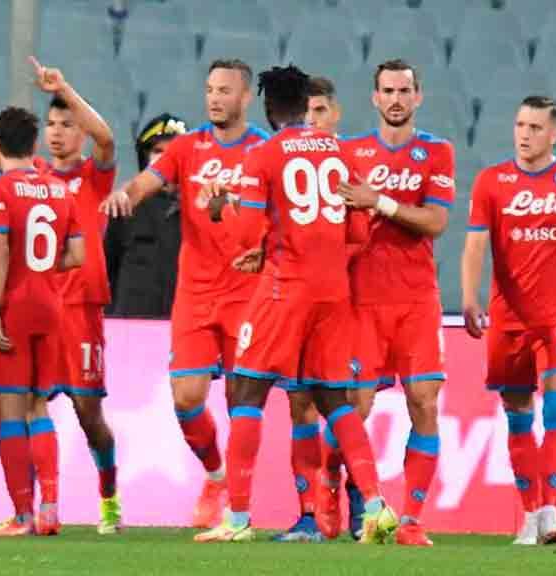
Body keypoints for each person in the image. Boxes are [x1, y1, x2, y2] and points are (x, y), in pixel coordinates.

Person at [192, 64, 396, 545]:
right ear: (307, 105)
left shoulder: (265, 155)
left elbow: (247, 235)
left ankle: (238, 520)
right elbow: (361, 231)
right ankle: (376, 505)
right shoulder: (341, 152)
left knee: (247, 392)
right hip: (333, 292)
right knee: (333, 400)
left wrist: (225, 211)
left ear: (267, 108)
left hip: (285, 288)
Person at [0, 47, 124, 534]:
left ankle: (108, 492)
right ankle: (43, 506)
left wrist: (64, 90)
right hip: (49, 301)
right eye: (52, 124)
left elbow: (108, 137)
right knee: (36, 403)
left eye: (66, 124)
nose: (58, 132)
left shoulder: (92, 177)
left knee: (86, 411)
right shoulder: (36, 175)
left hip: (81, 305)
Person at [101, 59, 269, 528]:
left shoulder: (264, 150)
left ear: (245, 97)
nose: (215, 98)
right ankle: (215, 475)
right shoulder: (187, 147)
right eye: (210, 89)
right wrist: (125, 196)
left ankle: (239, 506)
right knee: (186, 397)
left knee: (244, 402)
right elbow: (146, 181)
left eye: (225, 91)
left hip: (247, 293)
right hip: (195, 293)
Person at [460, 95, 556, 545]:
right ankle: (530, 514)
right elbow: (474, 246)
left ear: (555, 132)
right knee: (519, 417)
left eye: (535, 127)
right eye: (520, 125)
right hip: (508, 319)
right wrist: (469, 298)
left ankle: (551, 511)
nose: (525, 134)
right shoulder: (492, 182)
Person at [319, 59, 454, 547]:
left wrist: (380, 203)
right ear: (374, 98)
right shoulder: (350, 151)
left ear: (418, 97)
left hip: (417, 300)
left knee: (424, 402)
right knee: (354, 407)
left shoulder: (437, 152)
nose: (396, 99)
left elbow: (436, 221)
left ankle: (412, 520)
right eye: (387, 91)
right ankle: (331, 493)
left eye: (404, 90)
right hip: (361, 301)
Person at [0, 106, 85, 537]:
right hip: (51, 306)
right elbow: (76, 256)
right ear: (34, 144)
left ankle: (22, 514)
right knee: (39, 406)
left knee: (9, 412)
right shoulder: (60, 189)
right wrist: (39, 266)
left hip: (15, 307)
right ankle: (52, 507)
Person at [268, 74, 344, 542]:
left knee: (348, 405)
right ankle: (311, 512)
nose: (313, 122)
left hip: (345, 301)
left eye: (321, 113)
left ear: (334, 115)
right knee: (301, 406)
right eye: (307, 112)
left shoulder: (348, 158)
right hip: (301, 295)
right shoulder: (284, 159)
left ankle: (354, 501)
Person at [105, 113, 188, 318]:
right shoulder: (125, 206)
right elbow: (109, 269)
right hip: (130, 326)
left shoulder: (200, 209)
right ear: (145, 157)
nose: (164, 158)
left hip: (183, 324)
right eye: (157, 151)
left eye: (172, 152)